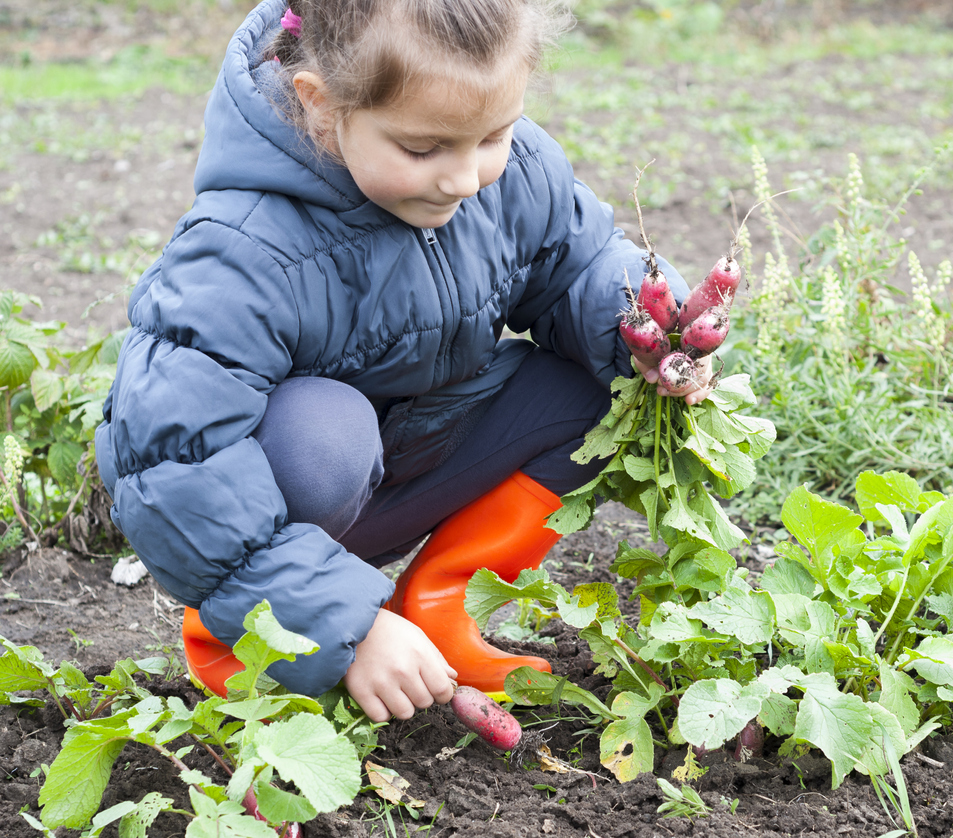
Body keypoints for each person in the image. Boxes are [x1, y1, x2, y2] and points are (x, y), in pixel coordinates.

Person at [94, 0, 711, 723]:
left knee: (600, 385)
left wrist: (647, 333)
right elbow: (175, 465)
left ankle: (438, 605)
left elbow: (578, 268)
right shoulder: (242, 251)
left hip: (422, 450)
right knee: (322, 434)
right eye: (424, 150)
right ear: (322, 106)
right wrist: (344, 624)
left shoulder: (507, 175)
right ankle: (261, 641)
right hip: (294, 501)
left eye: (493, 135)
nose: (464, 178)